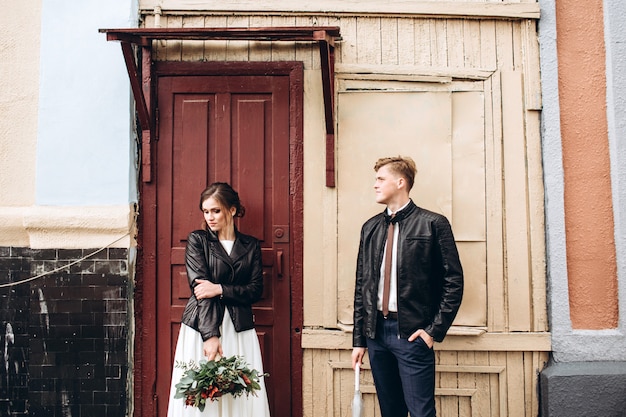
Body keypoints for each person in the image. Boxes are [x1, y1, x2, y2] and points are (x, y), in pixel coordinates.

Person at [351, 156, 464, 417]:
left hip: (413, 335)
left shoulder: (433, 224)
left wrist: (432, 331)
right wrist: (359, 339)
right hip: (376, 335)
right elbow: (362, 287)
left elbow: (453, 281)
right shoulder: (370, 228)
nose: (375, 185)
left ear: (400, 182)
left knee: (422, 412)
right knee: (391, 412)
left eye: (381, 179)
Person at [167, 182, 270, 417]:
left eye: (216, 211)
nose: (210, 217)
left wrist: (220, 289)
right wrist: (210, 336)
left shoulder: (251, 245)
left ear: (232, 210)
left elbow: (255, 290)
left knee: (240, 391)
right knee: (202, 394)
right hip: (202, 325)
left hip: (239, 327)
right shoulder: (198, 241)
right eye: (206, 211)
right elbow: (201, 291)